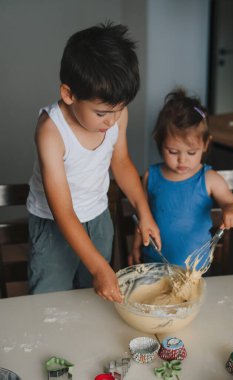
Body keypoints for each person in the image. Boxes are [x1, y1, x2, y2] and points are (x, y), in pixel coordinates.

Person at [26, 22, 160, 302]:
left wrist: (143, 211)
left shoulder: (115, 113)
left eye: (120, 109)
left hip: (98, 218)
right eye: (102, 113)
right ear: (69, 94)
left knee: (94, 297)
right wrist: (100, 265)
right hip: (54, 224)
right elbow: (62, 210)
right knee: (50, 301)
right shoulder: (51, 132)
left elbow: (121, 162)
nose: (112, 121)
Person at [128, 88, 233, 268]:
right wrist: (136, 245)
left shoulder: (209, 179)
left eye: (191, 152)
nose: (182, 160)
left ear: (205, 144)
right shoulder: (151, 176)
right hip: (154, 265)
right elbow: (143, 216)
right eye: (173, 151)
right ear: (159, 142)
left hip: (195, 270)